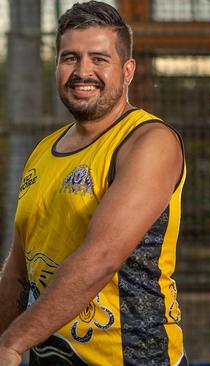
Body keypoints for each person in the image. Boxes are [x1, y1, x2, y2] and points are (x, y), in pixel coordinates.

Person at [0, 1, 186, 365]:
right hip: (46, 355)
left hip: (131, 357)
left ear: (127, 70)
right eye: (70, 58)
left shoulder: (149, 141)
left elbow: (101, 258)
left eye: (99, 59)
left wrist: (12, 342)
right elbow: (19, 268)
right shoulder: (43, 151)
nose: (83, 71)